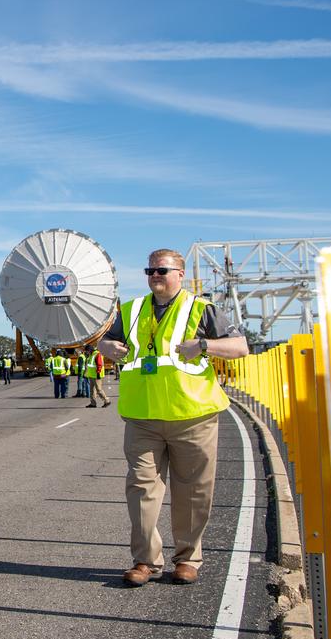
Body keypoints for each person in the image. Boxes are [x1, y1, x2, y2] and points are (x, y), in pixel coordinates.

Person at [97, 248, 247, 587]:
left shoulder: (201, 309)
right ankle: (145, 561)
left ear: (180, 274)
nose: (154, 276)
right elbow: (105, 342)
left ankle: (187, 559)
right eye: (150, 270)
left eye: (161, 270)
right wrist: (105, 348)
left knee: (193, 491)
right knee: (141, 489)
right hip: (143, 417)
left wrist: (204, 347)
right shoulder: (131, 310)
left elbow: (240, 347)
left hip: (192, 416)